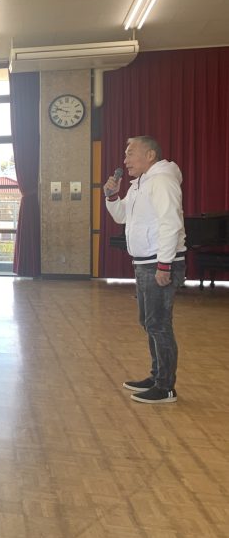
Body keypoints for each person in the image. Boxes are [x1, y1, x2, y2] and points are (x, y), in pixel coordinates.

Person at [104, 135, 186, 404]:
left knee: (159, 325)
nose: (125, 159)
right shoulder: (140, 183)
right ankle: (157, 376)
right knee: (150, 323)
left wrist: (165, 264)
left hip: (158, 263)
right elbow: (122, 216)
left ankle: (165, 387)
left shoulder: (161, 180)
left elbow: (170, 223)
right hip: (144, 263)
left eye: (131, 153)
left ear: (150, 155)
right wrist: (112, 195)